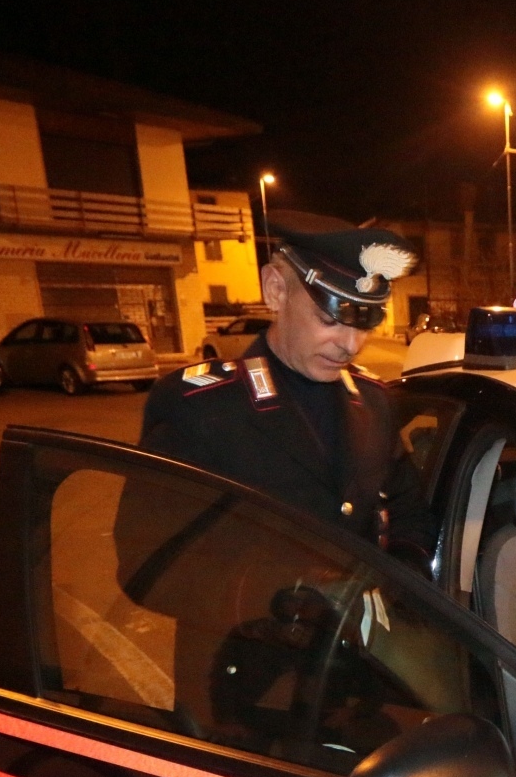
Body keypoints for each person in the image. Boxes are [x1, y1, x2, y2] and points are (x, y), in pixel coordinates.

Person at [136, 209, 430, 553]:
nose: (351, 346)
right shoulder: (198, 408)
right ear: (276, 290)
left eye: (364, 327)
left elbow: (409, 515)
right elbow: (148, 552)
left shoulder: (374, 401)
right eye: (328, 320)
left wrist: (396, 590)